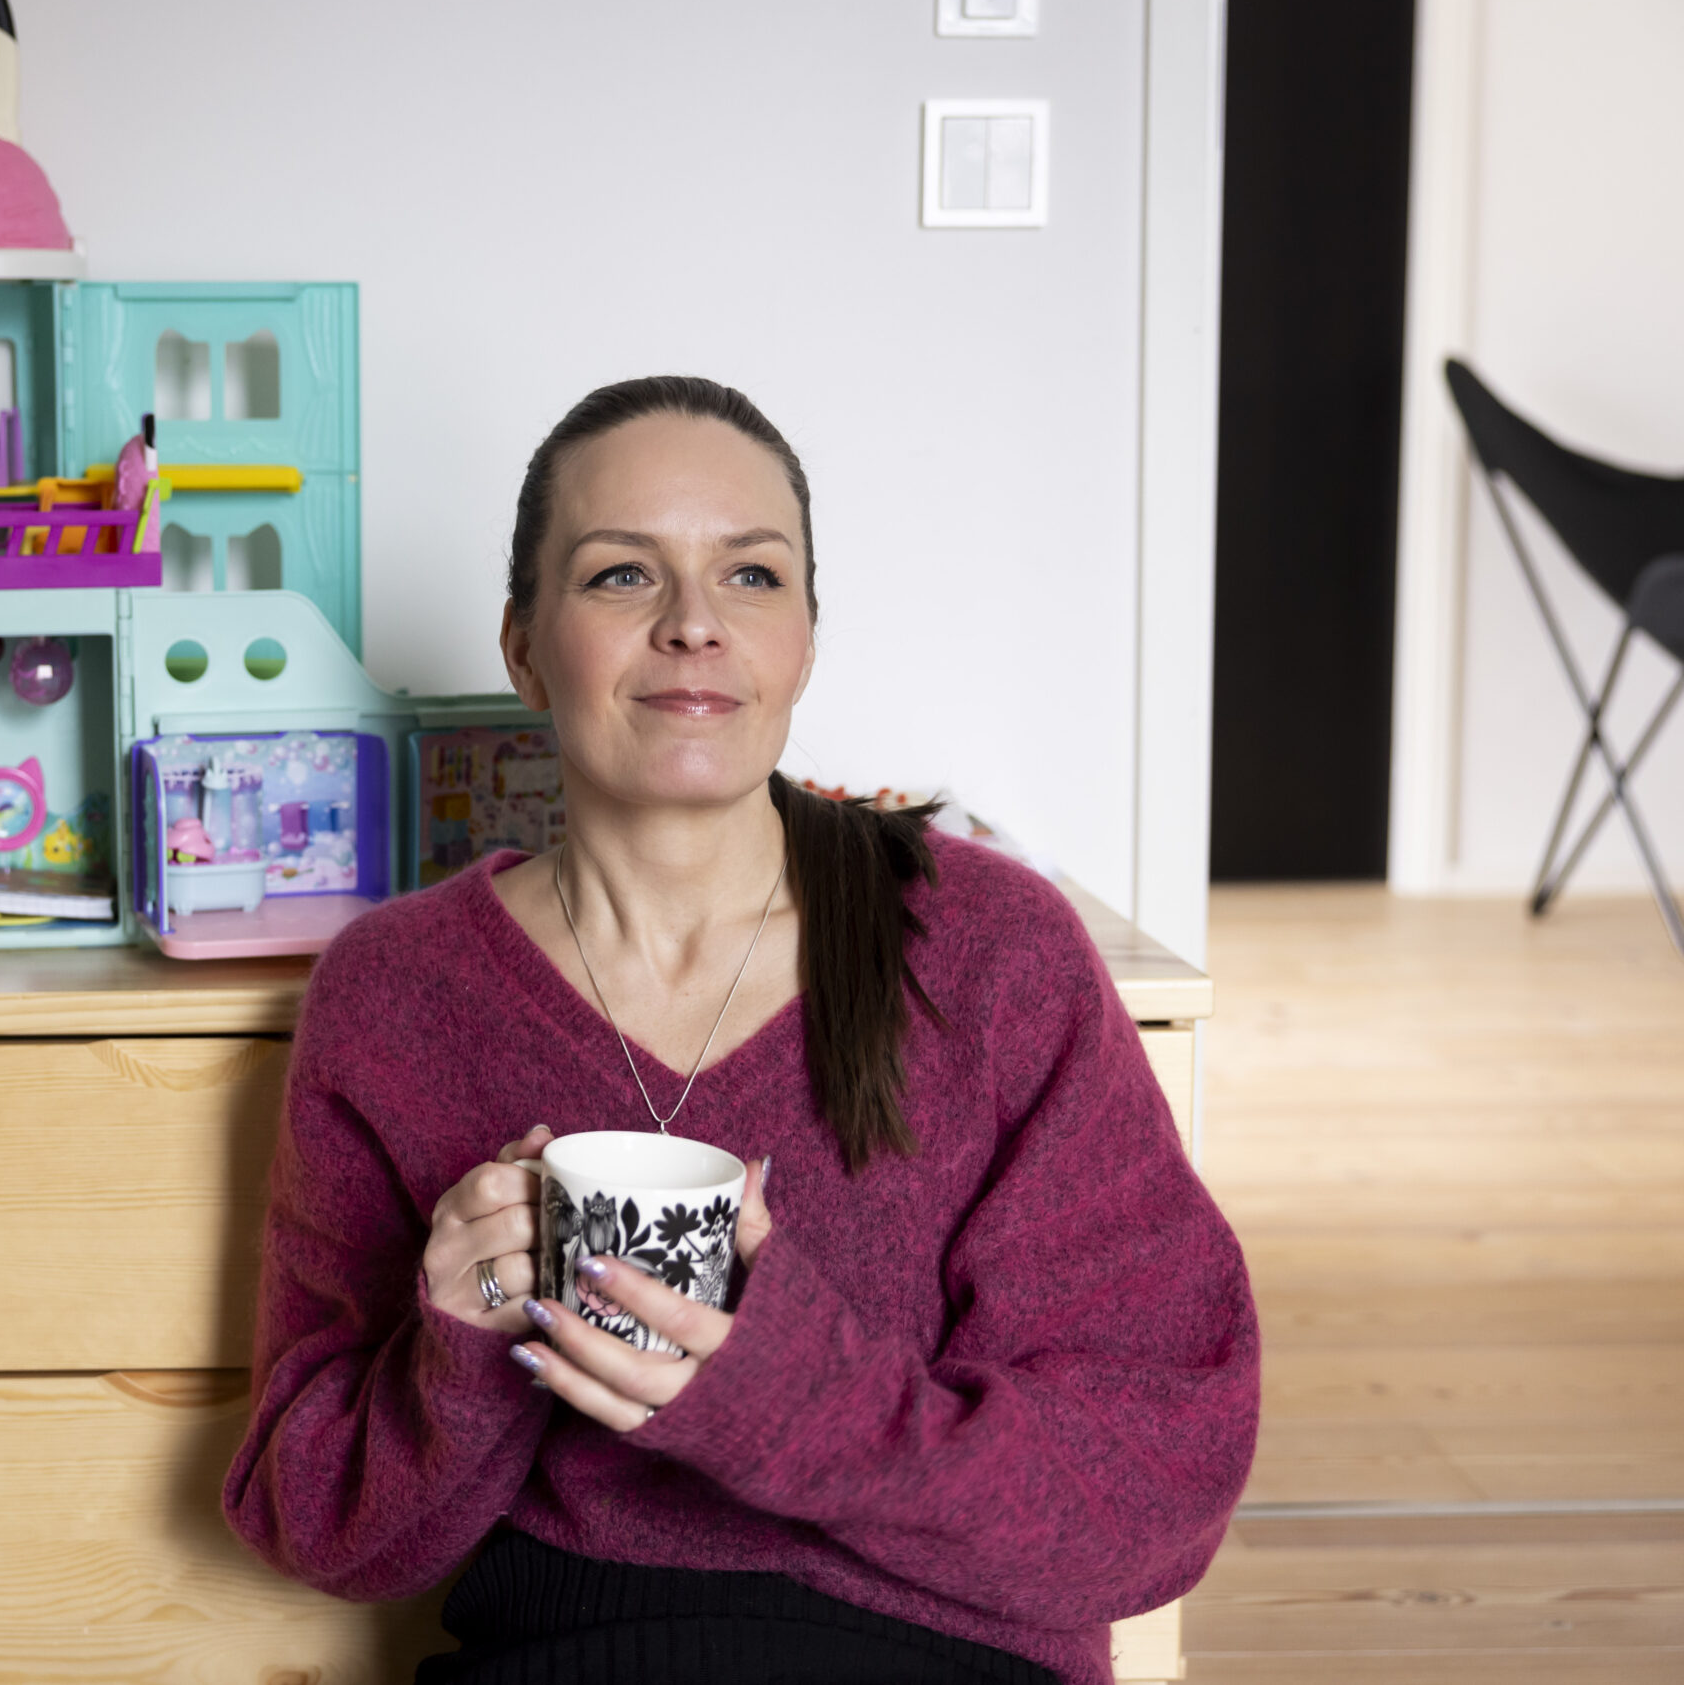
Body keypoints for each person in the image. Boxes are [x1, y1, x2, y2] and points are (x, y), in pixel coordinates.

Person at [222, 376, 1259, 1685]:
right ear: (524, 646)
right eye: (621, 575)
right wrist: (463, 1345)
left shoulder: (991, 953)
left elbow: (1153, 1495)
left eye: (752, 576)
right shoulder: (399, 990)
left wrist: (790, 1396)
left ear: (806, 642)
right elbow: (324, 1531)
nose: (694, 624)